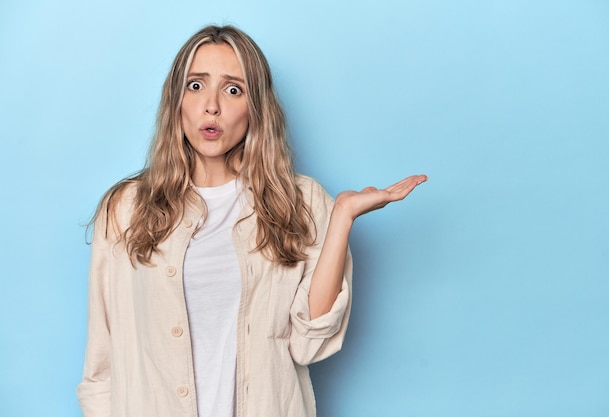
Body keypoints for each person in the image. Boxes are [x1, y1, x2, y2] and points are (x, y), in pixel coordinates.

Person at [76, 24, 427, 417]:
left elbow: (308, 345)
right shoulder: (126, 209)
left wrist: (342, 217)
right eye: (195, 86)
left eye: (232, 89)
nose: (212, 106)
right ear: (175, 100)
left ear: (255, 106)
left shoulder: (301, 203)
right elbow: (101, 370)